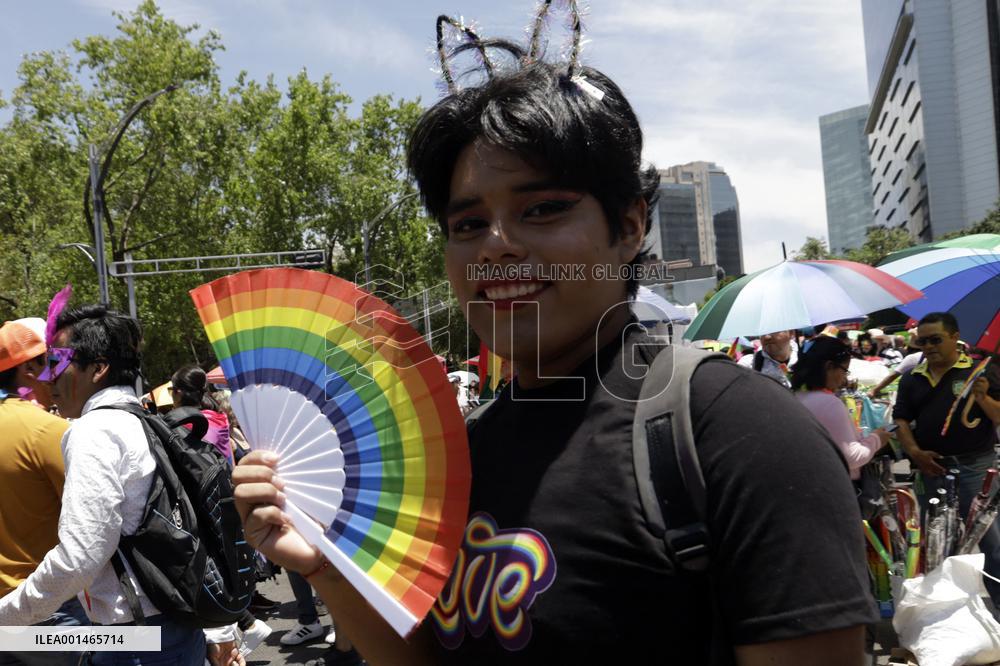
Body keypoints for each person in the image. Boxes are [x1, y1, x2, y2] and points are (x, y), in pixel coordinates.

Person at [232, 16, 876, 666]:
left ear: (628, 225)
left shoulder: (738, 433)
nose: (497, 244)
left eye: (542, 209)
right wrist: (329, 570)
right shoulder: (457, 455)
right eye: (468, 222)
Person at [0, 304, 207, 664]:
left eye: (57, 362)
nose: (48, 378)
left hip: (134, 637)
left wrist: (6, 617)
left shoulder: (92, 432)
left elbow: (79, 557)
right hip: (170, 626)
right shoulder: (145, 421)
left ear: (98, 368)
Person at [0, 319, 90, 666]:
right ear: (28, 368)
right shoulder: (47, 431)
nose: (57, 375)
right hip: (48, 611)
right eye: (51, 363)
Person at [893, 312, 1000, 600]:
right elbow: (900, 420)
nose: (928, 347)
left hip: (974, 468)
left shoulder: (981, 372)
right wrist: (915, 453)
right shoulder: (911, 378)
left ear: (954, 338)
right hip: (932, 470)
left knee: (991, 540)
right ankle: (945, 606)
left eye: (935, 340)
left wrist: (983, 398)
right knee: (937, 542)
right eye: (922, 341)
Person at [791, 336, 892, 479]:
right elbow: (852, 457)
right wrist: (878, 438)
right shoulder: (829, 403)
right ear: (829, 367)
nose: (845, 378)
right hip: (834, 485)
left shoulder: (794, 396)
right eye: (845, 370)